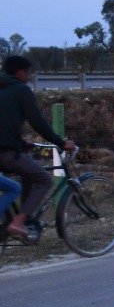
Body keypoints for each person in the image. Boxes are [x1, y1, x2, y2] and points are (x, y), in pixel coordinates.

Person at [0, 56, 77, 242]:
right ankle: (18, 222)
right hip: (6, 153)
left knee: (28, 175)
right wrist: (61, 143)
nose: (29, 77)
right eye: (28, 73)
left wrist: (20, 142)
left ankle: (25, 221)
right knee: (44, 180)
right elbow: (38, 122)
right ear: (20, 72)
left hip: (8, 148)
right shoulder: (21, 90)